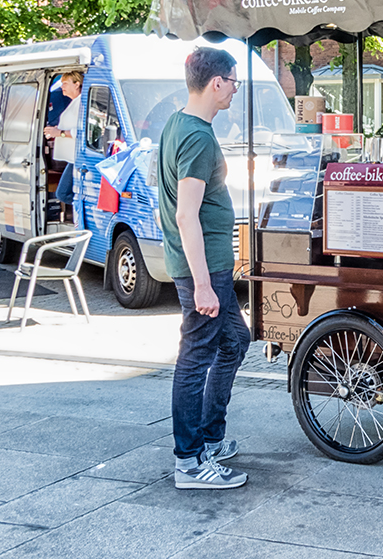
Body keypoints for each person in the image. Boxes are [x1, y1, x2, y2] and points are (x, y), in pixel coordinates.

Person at [158, 47, 250, 490]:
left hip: (207, 265)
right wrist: (201, 285)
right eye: (234, 81)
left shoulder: (180, 123)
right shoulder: (196, 137)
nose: (235, 89)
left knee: (236, 339)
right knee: (196, 356)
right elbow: (185, 214)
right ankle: (190, 461)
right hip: (202, 268)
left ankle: (209, 439)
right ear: (216, 83)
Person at [43, 71, 83, 220]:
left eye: (65, 83)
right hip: (71, 158)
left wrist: (59, 133)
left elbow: (82, 132)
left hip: (76, 158)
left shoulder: (81, 103)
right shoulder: (75, 102)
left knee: (63, 193)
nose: (62, 87)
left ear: (77, 84)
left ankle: (84, 212)